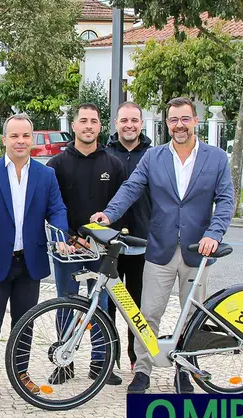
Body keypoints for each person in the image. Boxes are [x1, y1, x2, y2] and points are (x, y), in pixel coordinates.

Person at [92, 97, 235, 394]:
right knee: (148, 314)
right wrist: (109, 214)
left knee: (193, 316)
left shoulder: (216, 158)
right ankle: (142, 370)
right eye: (173, 120)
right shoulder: (154, 157)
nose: (179, 125)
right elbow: (131, 188)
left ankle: (184, 369)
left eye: (184, 119)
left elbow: (225, 200)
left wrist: (214, 233)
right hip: (160, 249)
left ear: (195, 120)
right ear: (166, 124)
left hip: (199, 251)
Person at [0, 113, 69, 392]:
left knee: (25, 322)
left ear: (32, 139)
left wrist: (60, 235)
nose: (20, 141)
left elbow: (57, 209)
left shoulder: (46, 175)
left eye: (25, 136)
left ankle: (21, 373)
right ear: (4, 140)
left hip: (30, 262)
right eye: (14, 136)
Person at [46, 103, 126, 386]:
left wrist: (104, 235)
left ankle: (100, 363)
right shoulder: (56, 164)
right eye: (83, 121)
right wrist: (68, 237)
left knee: (101, 304)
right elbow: (50, 205)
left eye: (94, 121)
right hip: (67, 248)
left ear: (100, 127)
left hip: (100, 249)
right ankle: (64, 362)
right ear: (74, 126)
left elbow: (121, 205)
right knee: (66, 302)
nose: (89, 126)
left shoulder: (113, 164)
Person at [106, 101, 153, 370]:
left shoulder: (155, 155)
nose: (129, 125)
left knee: (138, 307)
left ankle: (137, 360)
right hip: (111, 243)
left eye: (134, 120)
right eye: (124, 120)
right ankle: (109, 361)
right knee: (109, 306)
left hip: (143, 241)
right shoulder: (105, 153)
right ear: (116, 124)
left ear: (142, 123)